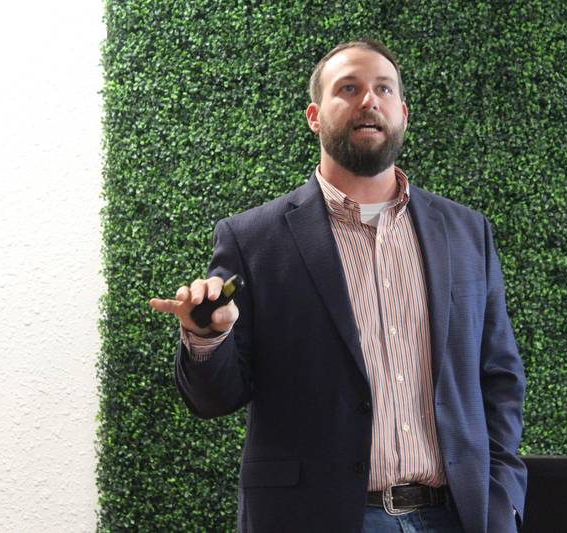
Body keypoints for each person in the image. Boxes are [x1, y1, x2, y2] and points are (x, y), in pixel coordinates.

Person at [149, 39, 526, 533]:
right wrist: (207, 336)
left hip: (456, 517)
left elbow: (500, 376)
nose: (368, 100)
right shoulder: (253, 239)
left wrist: (502, 502)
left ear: (403, 114)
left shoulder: (466, 232)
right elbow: (213, 399)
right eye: (348, 88)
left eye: (383, 89)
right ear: (314, 115)